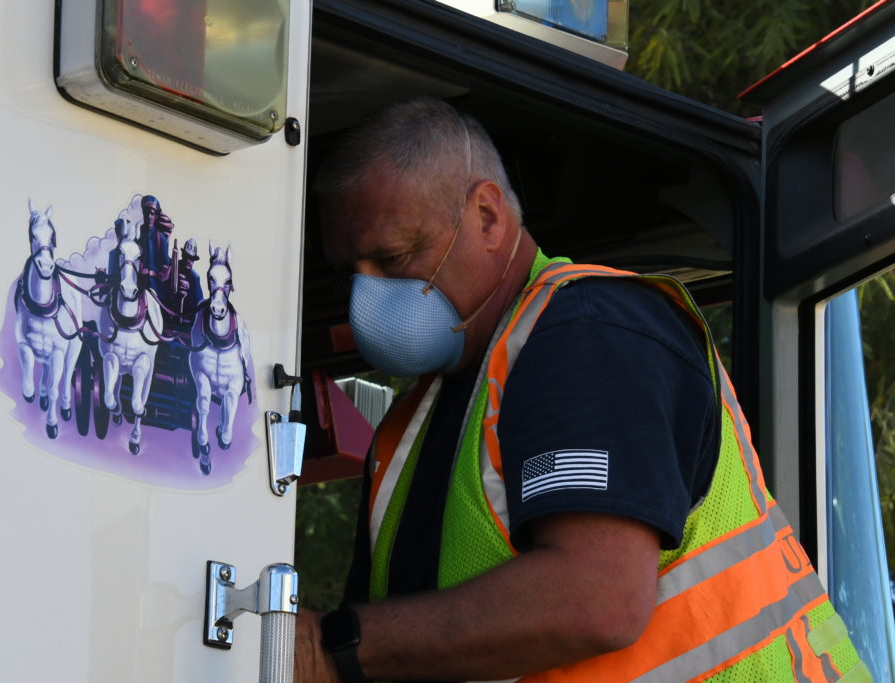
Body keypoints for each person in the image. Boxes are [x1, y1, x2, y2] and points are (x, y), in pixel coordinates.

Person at [296, 98, 866, 682]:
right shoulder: (410, 427)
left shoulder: (588, 330)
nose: (365, 302)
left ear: (487, 218)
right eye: (351, 274)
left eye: (392, 258)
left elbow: (599, 600)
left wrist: (330, 648)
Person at [139, 194, 175, 298]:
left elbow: (166, 264)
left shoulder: (161, 238)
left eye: (152, 213)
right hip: (139, 282)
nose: (149, 217)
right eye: (146, 213)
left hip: (155, 285)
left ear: (156, 216)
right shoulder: (140, 234)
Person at [176, 237, 204, 315]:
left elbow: (199, 304)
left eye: (191, 259)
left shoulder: (195, 278)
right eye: (187, 257)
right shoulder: (173, 266)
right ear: (182, 255)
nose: (188, 261)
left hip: (186, 316)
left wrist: (189, 290)